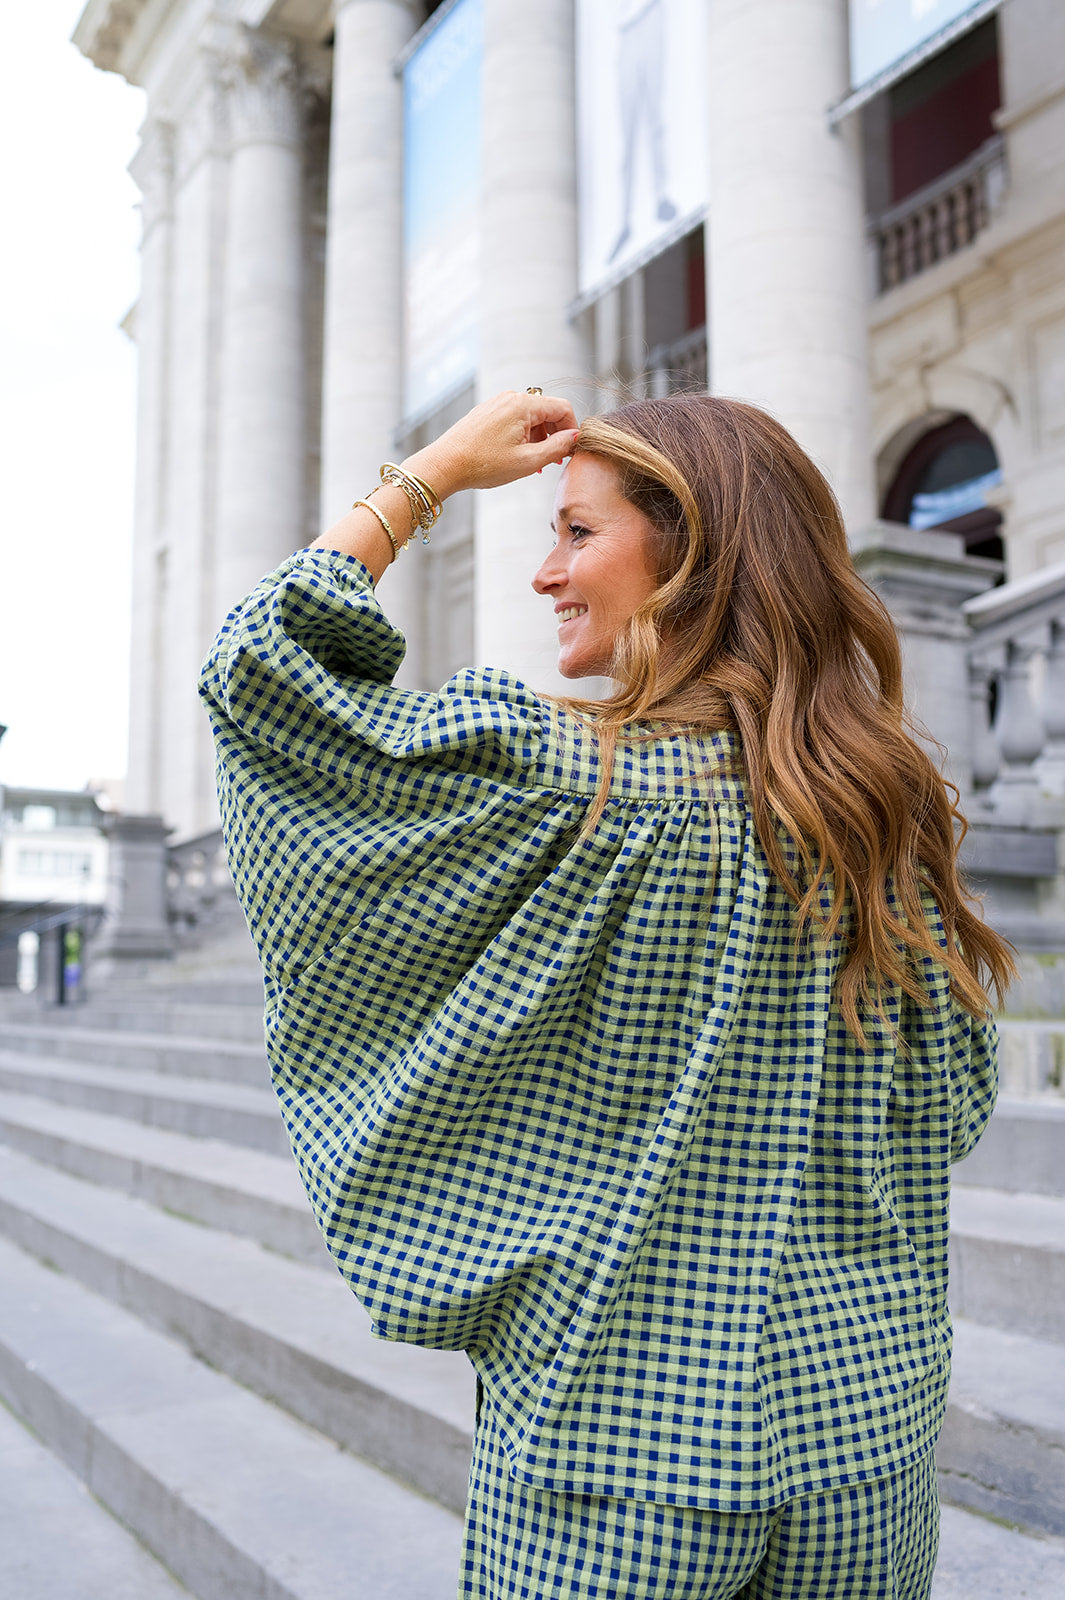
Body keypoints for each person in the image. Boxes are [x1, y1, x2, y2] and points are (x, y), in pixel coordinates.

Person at [200, 389, 1014, 1600]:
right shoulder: (887, 815)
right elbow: (954, 1106)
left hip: (621, 1451)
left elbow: (259, 669)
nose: (544, 573)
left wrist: (430, 475)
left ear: (686, 549)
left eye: (576, 533)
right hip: (866, 1447)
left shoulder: (552, 779)